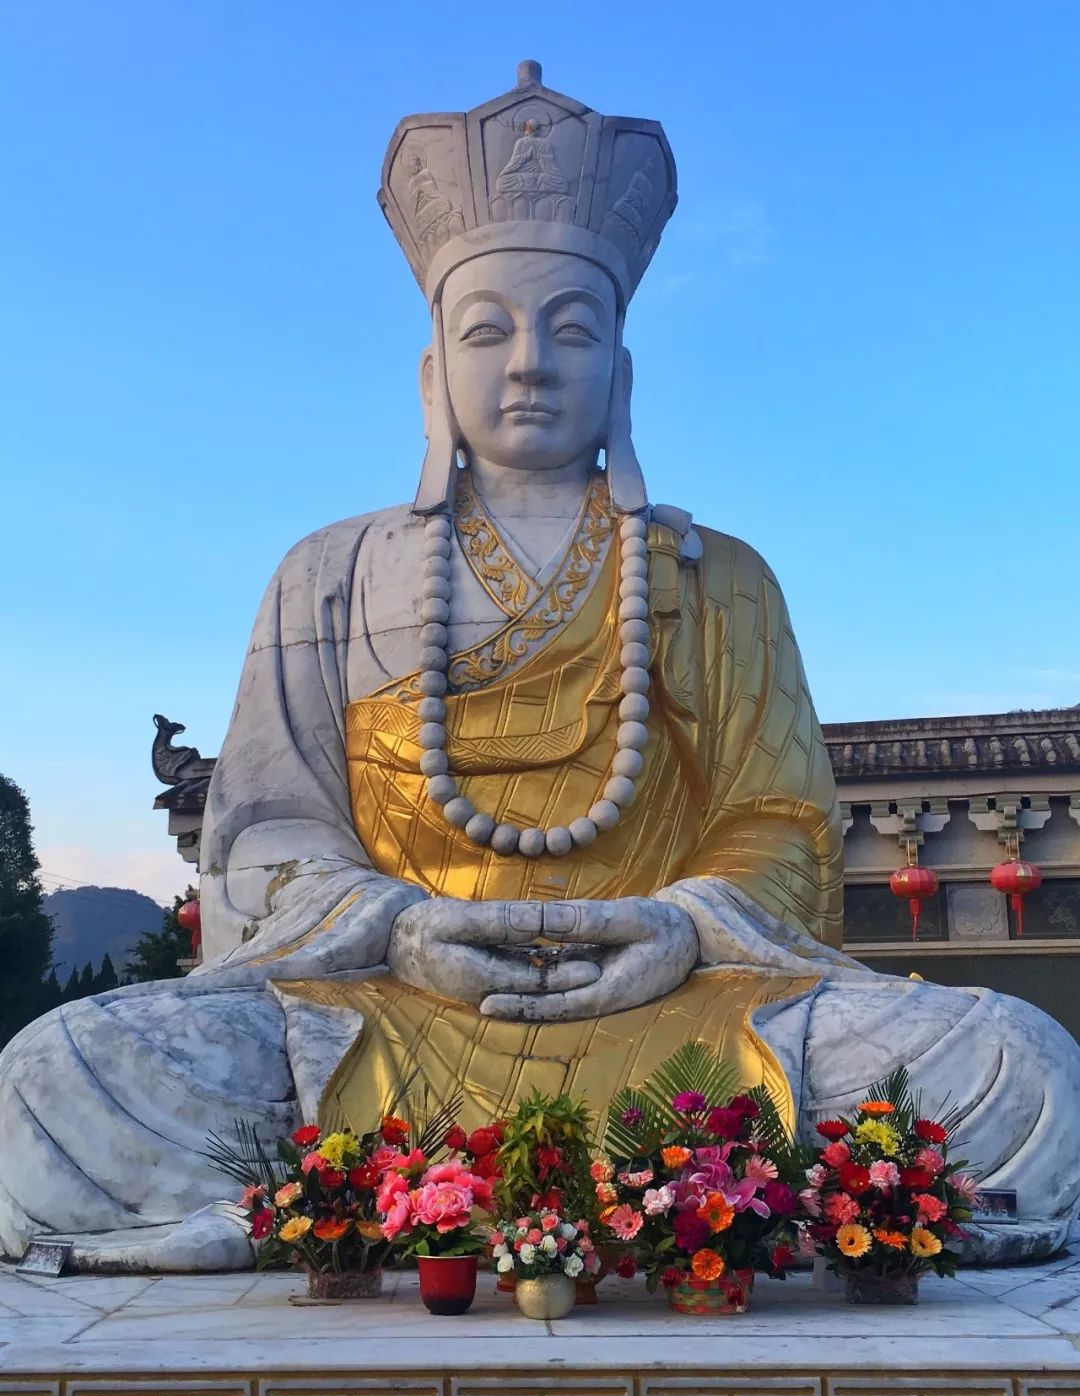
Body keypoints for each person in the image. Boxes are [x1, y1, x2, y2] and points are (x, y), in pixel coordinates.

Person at [1, 63, 1076, 1270]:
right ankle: (669, 1201)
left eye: (572, 328)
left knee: (1021, 1064)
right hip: (390, 1001)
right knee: (52, 1077)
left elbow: (781, 824)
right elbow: (261, 833)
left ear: (621, 368)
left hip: (678, 1006)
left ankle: (411, 1198)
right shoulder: (331, 573)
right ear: (432, 374)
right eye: (487, 329)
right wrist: (401, 931)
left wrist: (674, 928)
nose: (529, 364)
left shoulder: (717, 576)